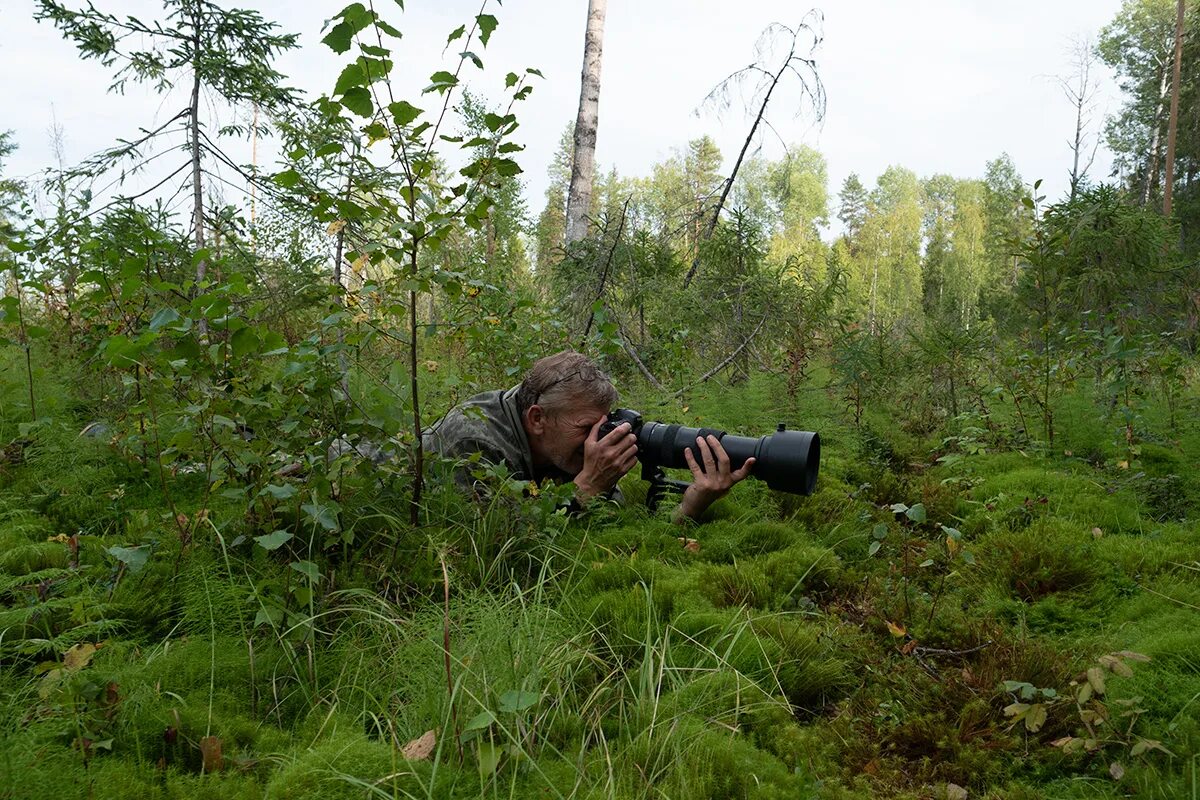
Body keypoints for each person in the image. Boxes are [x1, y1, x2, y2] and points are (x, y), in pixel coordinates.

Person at [422, 350, 754, 522]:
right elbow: (493, 550)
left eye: (602, 425)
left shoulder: (563, 440)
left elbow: (607, 530)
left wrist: (690, 506)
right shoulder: (474, 442)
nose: (594, 440)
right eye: (586, 429)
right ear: (537, 419)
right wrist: (588, 486)